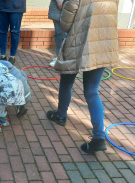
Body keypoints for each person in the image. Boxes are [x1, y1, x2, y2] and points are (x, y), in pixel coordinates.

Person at [47, 0, 119, 153]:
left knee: (66, 82)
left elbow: (65, 24)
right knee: (92, 91)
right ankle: (99, 137)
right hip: (103, 45)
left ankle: (61, 115)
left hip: (78, 44)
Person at [0, 0, 26, 65]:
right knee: (2, 32)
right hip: (0, 6)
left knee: (15, 32)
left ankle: (12, 56)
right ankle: (3, 54)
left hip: (16, 7)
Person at [48, 0, 66, 67]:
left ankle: (64, 58)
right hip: (58, 10)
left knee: (66, 35)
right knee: (59, 34)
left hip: (72, 8)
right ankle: (59, 57)